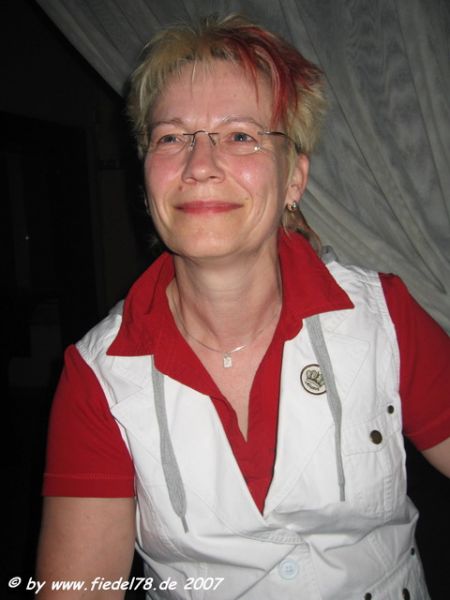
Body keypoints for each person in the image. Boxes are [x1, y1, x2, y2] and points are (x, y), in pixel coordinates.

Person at [36, 13, 450, 600]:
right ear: (146, 177)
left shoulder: (385, 317)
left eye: (239, 135)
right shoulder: (96, 378)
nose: (199, 165)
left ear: (294, 179)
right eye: (172, 137)